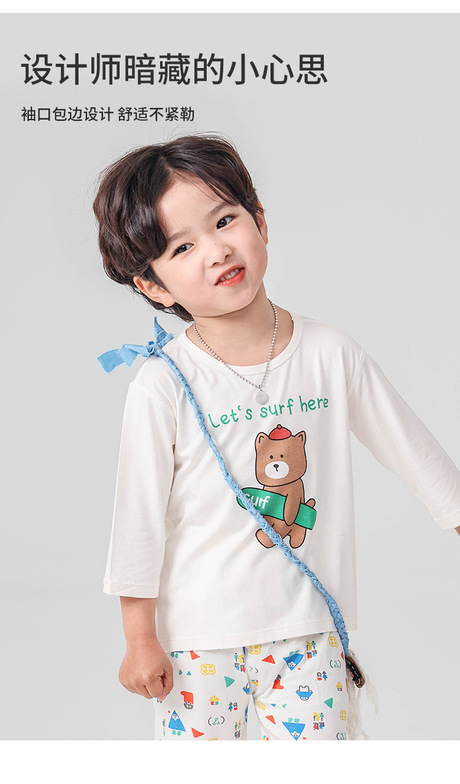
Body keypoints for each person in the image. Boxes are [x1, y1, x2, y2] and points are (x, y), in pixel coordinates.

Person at [94, 134, 460, 741]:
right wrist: (140, 639)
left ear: (260, 221)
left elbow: (414, 452)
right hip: (197, 643)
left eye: (225, 221)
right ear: (154, 286)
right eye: (182, 247)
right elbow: (138, 521)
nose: (217, 250)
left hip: (310, 633)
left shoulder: (330, 353)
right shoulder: (163, 384)